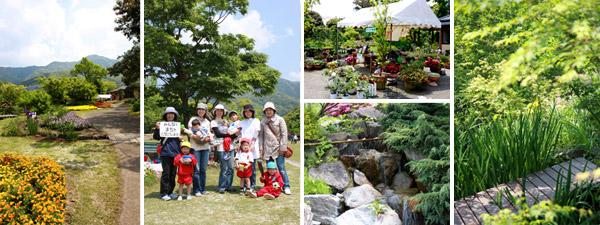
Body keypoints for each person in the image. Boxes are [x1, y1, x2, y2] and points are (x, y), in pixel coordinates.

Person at [259, 102, 291, 195]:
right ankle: (270, 187)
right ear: (264, 112)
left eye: (270, 110)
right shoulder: (263, 122)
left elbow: (284, 134)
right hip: (267, 148)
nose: (268, 112)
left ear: (274, 110)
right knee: (270, 169)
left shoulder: (280, 120)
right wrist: (261, 148)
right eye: (266, 110)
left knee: (281, 167)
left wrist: (283, 147)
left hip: (278, 147)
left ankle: (286, 186)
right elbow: (261, 136)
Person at [153, 107, 183, 201]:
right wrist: (157, 129)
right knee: (166, 173)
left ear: (175, 116)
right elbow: (156, 137)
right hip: (166, 152)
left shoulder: (177, 126)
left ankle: (170, 192)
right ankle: (164, 193)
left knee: (173, 173)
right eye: (168, 114)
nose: (170, 115)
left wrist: (180, 138)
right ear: (166, 115)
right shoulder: (162, 125)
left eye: (172, 114)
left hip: (175, 152)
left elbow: (180, 139)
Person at [186, 103, 213, 197]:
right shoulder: (192, 120)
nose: (201, 111)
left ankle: (203, 188)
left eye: (203, 109)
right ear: (197, 110)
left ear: (205, 111)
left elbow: (209, 133)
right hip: (195, 147)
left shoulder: (207, 122)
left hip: (205, 147)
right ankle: (196, 189)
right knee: (196, 169)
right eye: (199, 109)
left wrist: (209, 138)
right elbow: (189, 133)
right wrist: (197, 137)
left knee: (203, 169)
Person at [211, 104, 236, 194]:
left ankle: (228, 185)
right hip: (221, 147)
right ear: (215, 112)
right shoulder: (213, 122)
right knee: (224, 168)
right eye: (217, 110)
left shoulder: (226, 122)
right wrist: (229, 135)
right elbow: (217, 133)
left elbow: (233, 132)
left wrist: (232, 135)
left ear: (223, 112)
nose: (219, 112)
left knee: (230, 168)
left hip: (230, 146)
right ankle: (222, 186)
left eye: (221, 111)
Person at [238, 104, 261, 191]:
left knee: (252, 167)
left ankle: (252, 185)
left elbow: (256, 133)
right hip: (243, 147)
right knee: (242, 166)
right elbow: (239, 133)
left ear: (252, 112)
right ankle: (243, 185)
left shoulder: (256, 120)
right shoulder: (242, 122)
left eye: (249, 111)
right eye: (246, 112)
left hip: (252, 147)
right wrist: (240, 143)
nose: (248, 113)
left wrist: (252, 144)